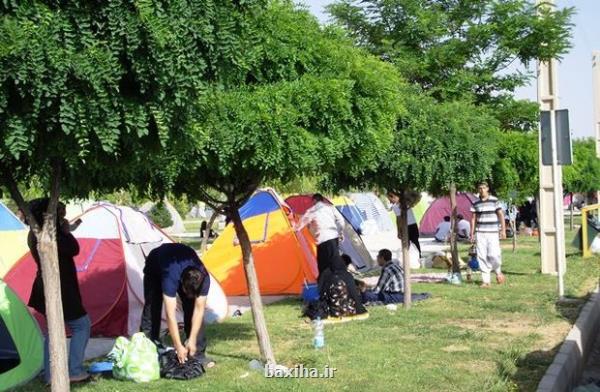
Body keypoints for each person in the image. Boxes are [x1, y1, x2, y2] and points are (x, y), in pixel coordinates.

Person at [26, 198, 90, 384]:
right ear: (49, 214)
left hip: (44, 286)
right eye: (60, 212)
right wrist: (65, 231)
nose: (63, 216)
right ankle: (74, 371)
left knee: (53, 331)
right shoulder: (51, 233)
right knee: (81, 325)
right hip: (60, 288)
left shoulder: (34, 232)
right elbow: (73, 248)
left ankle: (50, 374)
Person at [140, 243, 214, 366]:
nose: (189, 296)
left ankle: (197, 354)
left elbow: (199, 311)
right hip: (156, 266)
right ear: (181, 284)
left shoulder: (204, 278)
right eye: (187, 293)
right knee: (153, 307)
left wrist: (192, 339)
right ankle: (147, 349)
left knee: (191, 308)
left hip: (180, 264)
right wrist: (178, 345)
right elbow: (170, 315)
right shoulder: (171, 277)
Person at [294, 193, 346, 275]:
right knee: (335, 261)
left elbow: (301, 224)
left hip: (322, 240)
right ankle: (340, 280)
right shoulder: (330, 207)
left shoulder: (312, 211)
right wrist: (340, 232)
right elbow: (341, 220)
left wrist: (294, 229)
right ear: (322, 200)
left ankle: (325, 283)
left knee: (323, 265)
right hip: (333, 237)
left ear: (314, 200)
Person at [469, 181, 507, 288]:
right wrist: (472, 233)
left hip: (493, 232)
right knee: (482, 256)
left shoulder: (494, 200)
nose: (481, 190)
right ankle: (486, 281)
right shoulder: (475, 203)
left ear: (487, 189)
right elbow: (473, 219)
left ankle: (498, 272)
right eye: (479, 188)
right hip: (480, 232)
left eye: (483, 188)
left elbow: (501, 215)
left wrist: (503, 230)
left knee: (494, 254)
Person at [387, 191, 421, 257]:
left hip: (406, 226)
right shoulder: (407, 202)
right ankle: (418, 256)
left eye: (390, 200)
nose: (390, 202)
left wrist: (399, 231)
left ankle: (408, 258)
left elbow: (399, 220)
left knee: (406, 244)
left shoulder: (396, 206)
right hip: (414, 224)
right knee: (415, 242)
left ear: (394, 197)